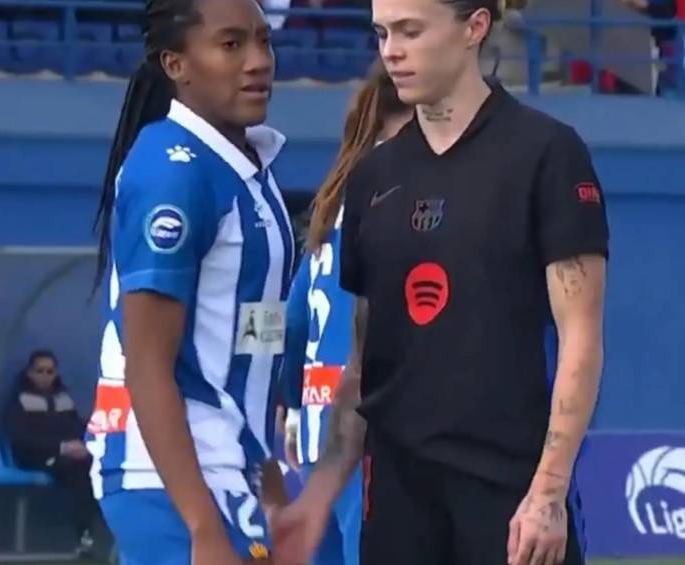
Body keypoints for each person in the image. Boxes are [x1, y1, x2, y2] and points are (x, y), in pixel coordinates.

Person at [272, 0, 609, 564]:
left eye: (410, 31)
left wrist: (548, 491)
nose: (391, 51)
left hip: (508, 493)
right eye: (381, 33)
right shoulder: (373, 179)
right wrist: (319, 495)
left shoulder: (546, 154)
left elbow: (581, 339)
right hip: (399, 502)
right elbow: (363, 362)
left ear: (474, 27)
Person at [85, 0, 293, 563]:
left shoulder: (250, 168)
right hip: (171, 477)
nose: (258, 61)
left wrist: (265, 466)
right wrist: (200, 525)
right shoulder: (171, 172)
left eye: (262, 42)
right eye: (231, 45)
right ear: (176, 63)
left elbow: (257, 330)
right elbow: (147, 362)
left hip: (232, 465)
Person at [279, 60, 411, 565]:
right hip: (373, 437)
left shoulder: (332, 206)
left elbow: (293, 321)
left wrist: (293, 406)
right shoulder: (407, 194)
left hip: (319, 435)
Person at [5, 350, 96, 556]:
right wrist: (61, 448)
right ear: (29, 372)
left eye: (50, 371)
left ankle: (103, 535)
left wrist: (85, 445)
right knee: (78, 470)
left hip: (71, 455)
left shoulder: (64, 398)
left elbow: (78, 427)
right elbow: (21, 439)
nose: (45, 376)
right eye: (40, 371)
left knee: (95, 466)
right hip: (33, 457)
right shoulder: (19, 401)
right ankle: (84, 534)